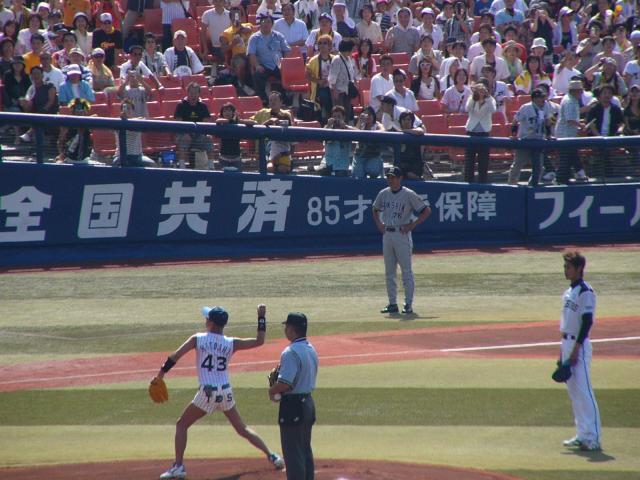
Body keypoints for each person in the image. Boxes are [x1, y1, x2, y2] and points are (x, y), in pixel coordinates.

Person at [156, 304, 285, 480]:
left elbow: (174, 357)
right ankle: (273, 456)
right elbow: (259, 341)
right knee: (242, 429)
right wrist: (261, 317)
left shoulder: (198, 339)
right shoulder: (231, 343)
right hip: (226, 392)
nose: (205, 320)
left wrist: (160, 375)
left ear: (212, 323)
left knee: (181, 425)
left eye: (207, 318)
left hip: (207, 393)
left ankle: (178, 467)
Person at [559, 251, 602, 452]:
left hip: (579, 345)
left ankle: (593, 438)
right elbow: (566, 324)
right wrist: (562, 353)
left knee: (584, 392)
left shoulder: (586, 292)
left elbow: (587, 322)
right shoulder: (568, 292)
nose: (565, 270)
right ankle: (582, 434)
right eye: (565, 266)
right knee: (574, 392)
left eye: (568, 266)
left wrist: (576, 349)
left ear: (579, 269)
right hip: (566, 343)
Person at [373, 166, 431, 315]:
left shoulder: (408, 194)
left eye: (393, 177)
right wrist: (379, 224)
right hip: (387, 234)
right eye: (389, 177)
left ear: (400, 179)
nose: (390, 180)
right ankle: (392, 303)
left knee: (406, 271)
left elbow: (426, 210)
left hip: (402, 234)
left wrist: (412, 225)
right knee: (389, 272)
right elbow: (375, 208)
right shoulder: (383, 193)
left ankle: (408, 304)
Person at [269, 312, 318, 480]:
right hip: (308, 404)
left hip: (293, 406)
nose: (285, 329)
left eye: (286, 326)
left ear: (291, 328)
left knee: (292, 454)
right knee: (304, 449)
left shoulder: (290, 352)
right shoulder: (311, 349)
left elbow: (286, 384)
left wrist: (272, 390)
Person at [508, 88, 551, 186]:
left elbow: (547, 121)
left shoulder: (546, 106)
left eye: (544, 97)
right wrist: (514, 135)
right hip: (525, 140)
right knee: (517, 165)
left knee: (539, 167)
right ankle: (511, 185)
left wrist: (548, 135)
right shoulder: (525, 107)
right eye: (541, 97)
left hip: (538, 140)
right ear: (534, 99)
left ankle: (532, 186)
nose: (543, 99)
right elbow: (515, 121)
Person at [247, 14, 290, 105]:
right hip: (263, 65)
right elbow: (252, 54)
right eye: (263, 22)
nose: (266, 24)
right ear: (260, 24)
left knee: (287, 73)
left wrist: (285, 64)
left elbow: (286, 51)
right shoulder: (254, 38)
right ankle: (263, 100)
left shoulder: (279, 36)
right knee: (257, 75)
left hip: (278, 64)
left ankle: (285, 99)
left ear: (272, 24)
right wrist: (257, 66)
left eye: (268, 22)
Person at [174, 82, 213, 169]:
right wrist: (186, 133)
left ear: (199, 94)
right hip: (183, 134)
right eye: (191, 93)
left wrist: (203, 134)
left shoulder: (203, 106)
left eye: (195, 93)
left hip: (199, 134)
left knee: (209, 138)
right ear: (187, 93)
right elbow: (179, 124)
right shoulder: (180, 105)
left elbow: (205, 124)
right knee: (185, 139)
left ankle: (211, 166)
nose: (193, 95)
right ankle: (182, 166)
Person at [555, 80, 587, 184]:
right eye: (580, 91)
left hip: (568, 133)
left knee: (571, 154)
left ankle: (579, 173)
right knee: (566, 157)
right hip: (565, 134)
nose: (581, 93)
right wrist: (581, 125)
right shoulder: (570, 101)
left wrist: (579, 123)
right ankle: (561, 178)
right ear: (575, 91)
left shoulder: (571, 99)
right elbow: (570, 120)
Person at [465, 82, 496, 183]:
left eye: (483, 90)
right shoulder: (471, 99)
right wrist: (475, 96)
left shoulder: (490, 100)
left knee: (483, 161)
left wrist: (487, 97)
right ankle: (468, 183)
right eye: (479, 90)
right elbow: (467, 108)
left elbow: (493, 109)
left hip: (484, 132)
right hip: (472, 132)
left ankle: (482, 183)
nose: (481, 92)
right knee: (469, 161)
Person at [215, 102, 256, 171]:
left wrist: (239, 120)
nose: (227, 112)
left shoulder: (237, 122)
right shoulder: (221, 122)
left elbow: (254, 122)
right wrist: (231, 120)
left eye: (229, 110)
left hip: (236, 158)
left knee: (238, 176)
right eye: (225, 111)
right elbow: (218, 120)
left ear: (233, 112)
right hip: (223, 157)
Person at [306, 34, 335, 124]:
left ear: (330, 45)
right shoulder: (313, 60)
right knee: (324, 95)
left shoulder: (335, 59)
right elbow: (307, 75)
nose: (322, 45)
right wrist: (318, 81)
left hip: (334, 88)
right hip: (319, 89)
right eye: (320, 43)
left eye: (325, 43)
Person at [328, 39, 356, 121]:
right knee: (339, 113)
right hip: (338, 91)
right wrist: (335, 91)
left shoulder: (348, 59)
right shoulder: (337, 60)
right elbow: (332, 77)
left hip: (346, 91)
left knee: (346, 113)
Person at [353, 106, 384, 179]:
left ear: (373, 115)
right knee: (358, 177)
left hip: (374, 156)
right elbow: (354, 132)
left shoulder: (377, 125)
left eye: (369, 114)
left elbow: (383, 130)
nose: (367, 116)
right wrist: (360, 121)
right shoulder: (361, 124)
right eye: (365, 114)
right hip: (360, 155)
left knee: (372, 170)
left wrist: (371, 133)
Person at [323, 105, 354, 175]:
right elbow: (320, 136)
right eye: (334, 116)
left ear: (344, 117)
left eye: (339, 117)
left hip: (341, 166)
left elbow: (358, 132)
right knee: (321, 172)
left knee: (341, 174)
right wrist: (328, 125)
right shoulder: (327, 128)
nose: (336, 119)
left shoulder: (348, 129)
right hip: (328, 164)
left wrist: (345, 127)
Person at [200, 0, 231, 68]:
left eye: (220, 1)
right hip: (216, 48)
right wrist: (205, 49)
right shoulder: (207, 14)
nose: (218, 3)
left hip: (229, 47)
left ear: (224, 2)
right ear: (213, 2)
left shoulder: (230, 14)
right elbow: (203, 33)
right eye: (216, 1)